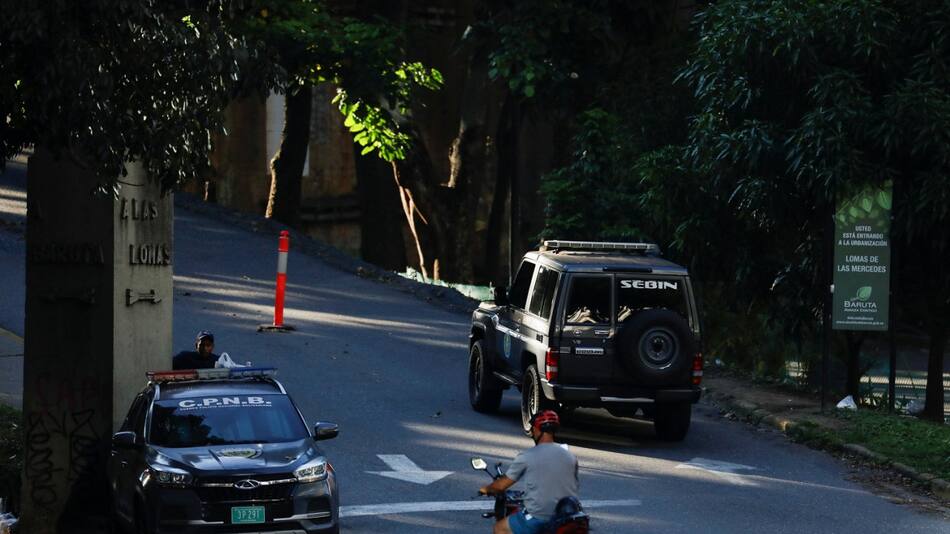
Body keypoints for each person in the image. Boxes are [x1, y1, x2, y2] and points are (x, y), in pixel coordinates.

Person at [479, 410, 579, 534]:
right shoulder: (570, 457)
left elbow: (501, 485)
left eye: (533, 429)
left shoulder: (528, 456)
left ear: (537, 430)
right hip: (568, 516)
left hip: (540, 516)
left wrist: (486, 489)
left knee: (499, 528)